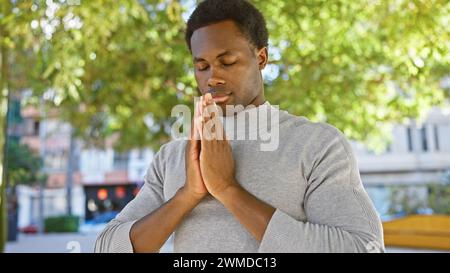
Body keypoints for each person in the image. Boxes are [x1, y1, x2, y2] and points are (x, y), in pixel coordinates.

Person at [95, 0, 384, 253]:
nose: (213, 78)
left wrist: (228, 189)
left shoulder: (316, 145)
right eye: (202, 66)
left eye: (228, 62)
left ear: (261, 58)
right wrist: (188, 195)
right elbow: (107, 246)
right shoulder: (173, 156)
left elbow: (364, 247)